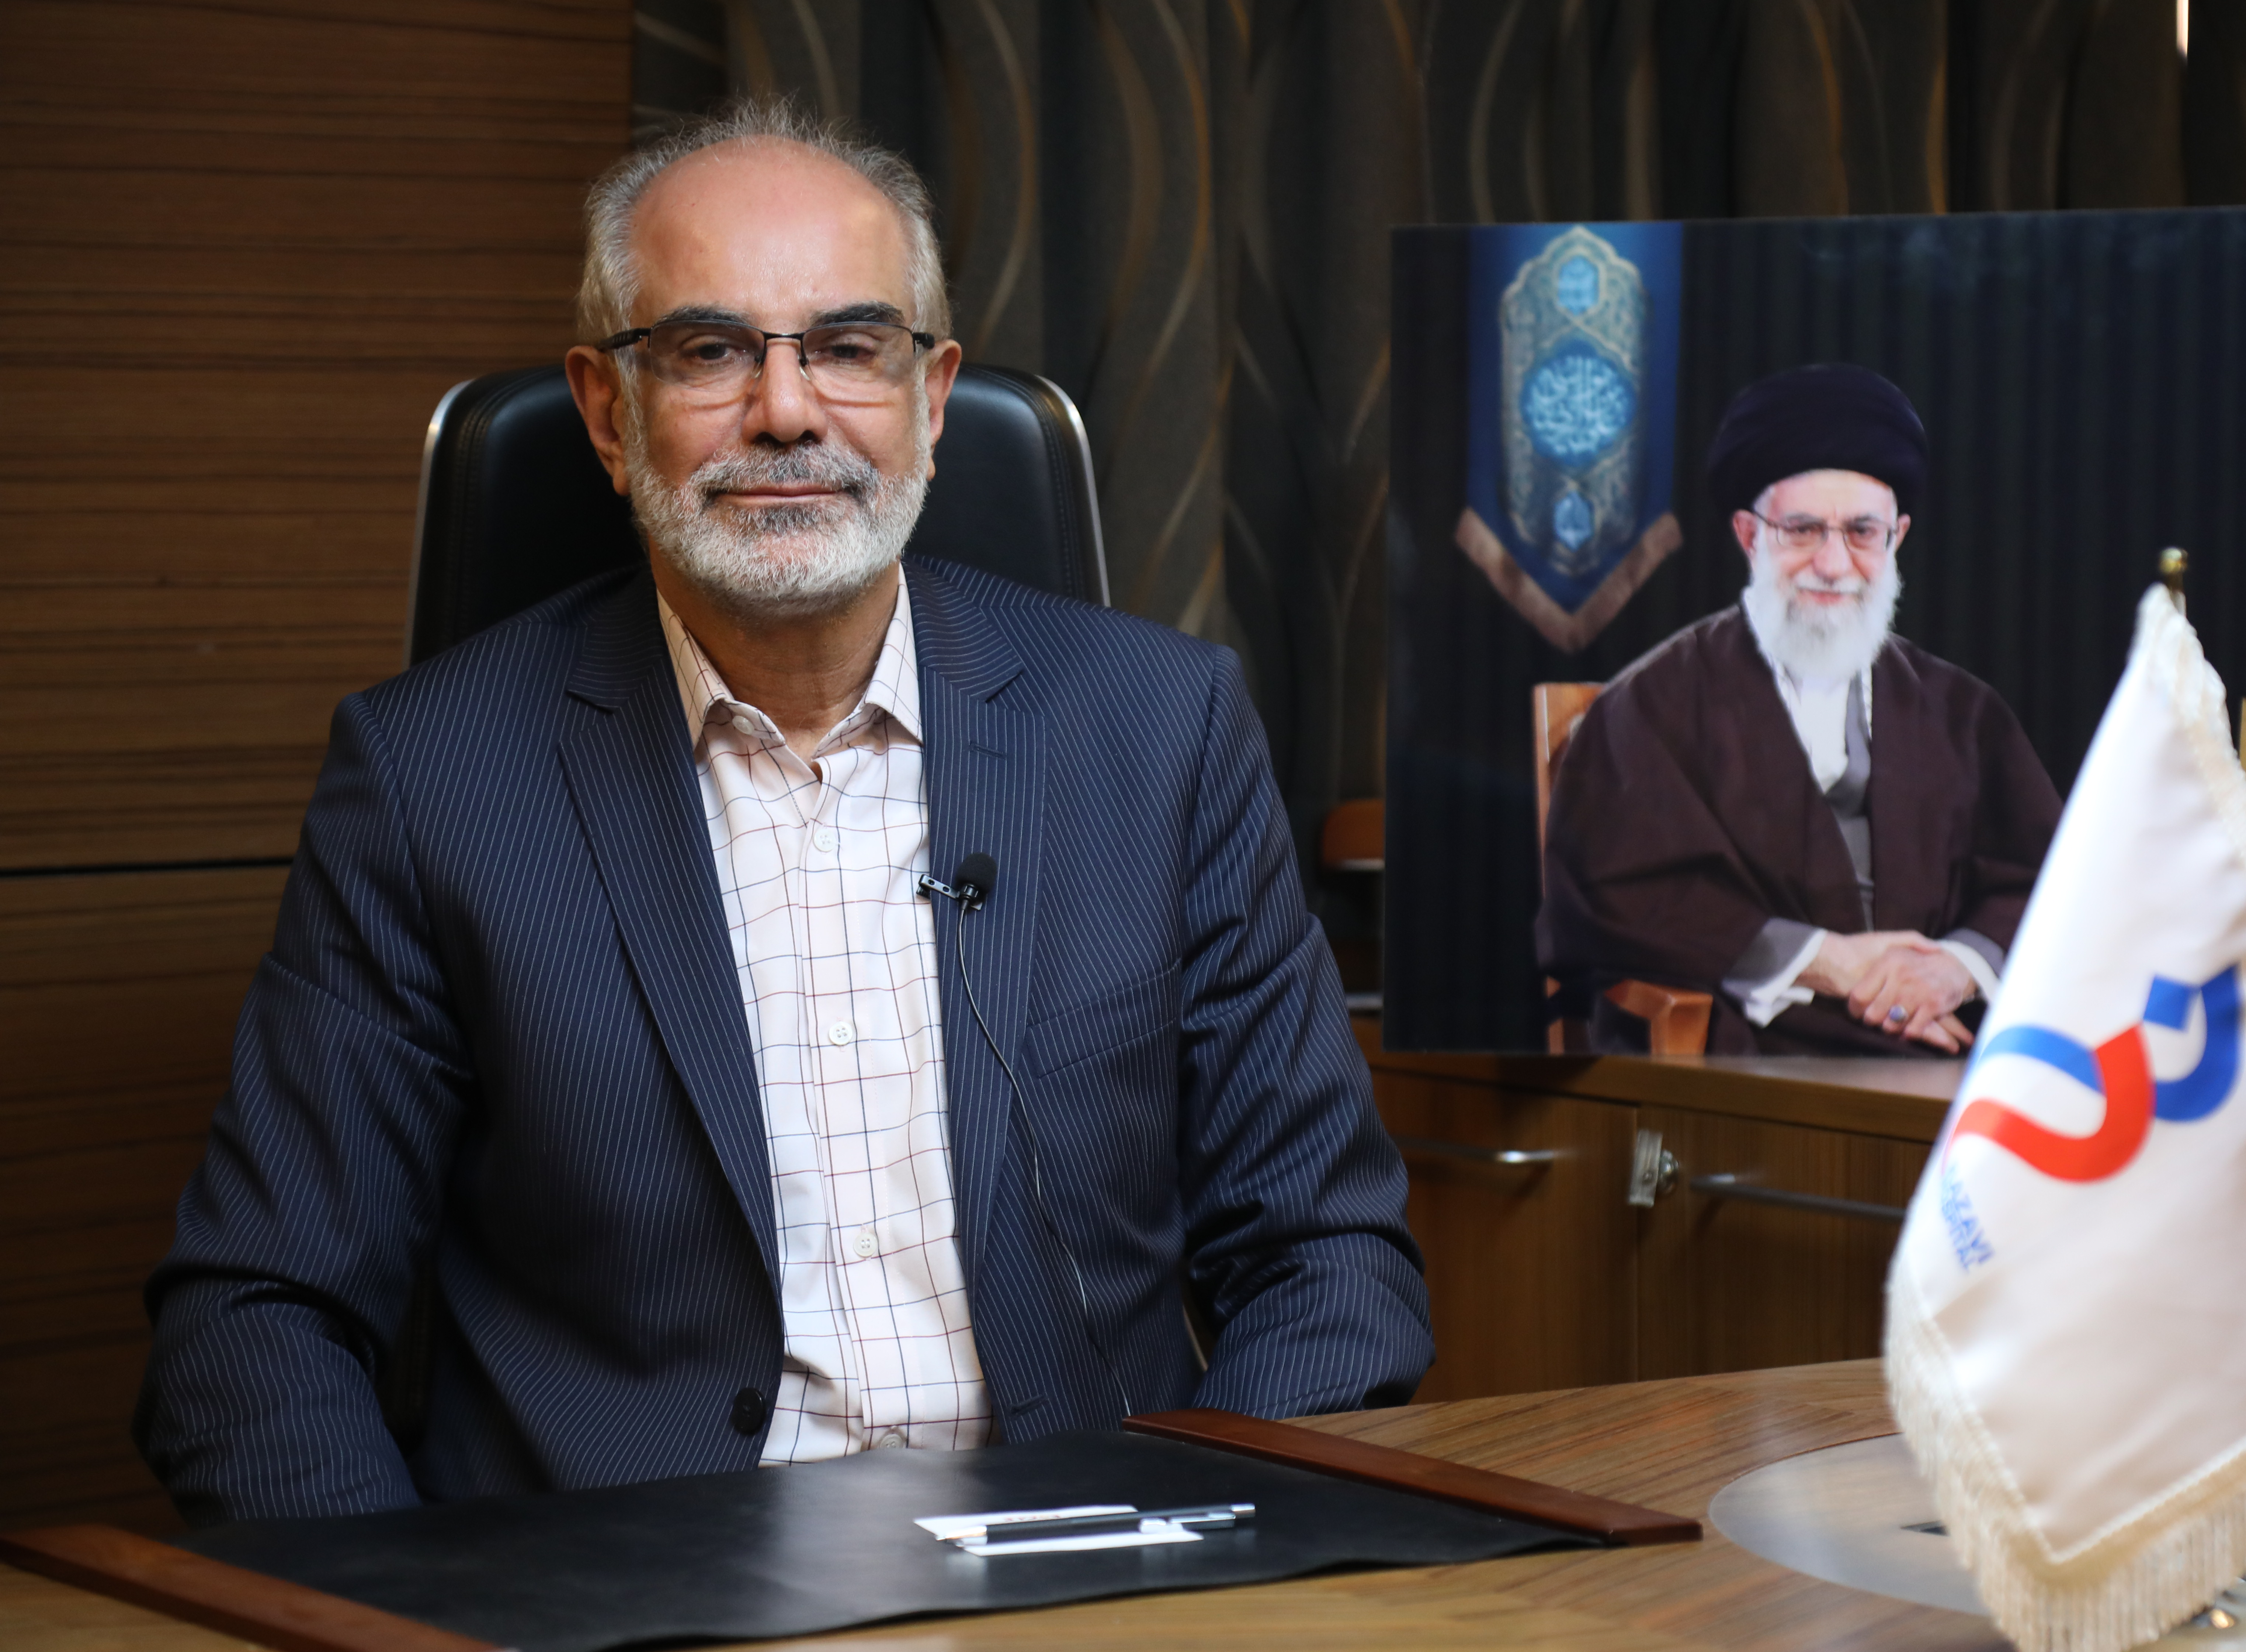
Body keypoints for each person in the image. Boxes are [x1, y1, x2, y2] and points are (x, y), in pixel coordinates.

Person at [135, 101, 1428, 1526]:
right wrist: (410, 1613)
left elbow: (1325, 1257)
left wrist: (1200, 1560)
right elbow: (257, 1317)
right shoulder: (433, 778)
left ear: (932, 399)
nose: (788, 411)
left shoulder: (1159, 728)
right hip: (625, 1586)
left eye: (850, 347)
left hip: (1079, 1564)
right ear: (606, 413)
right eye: (709, 351)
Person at [1537, 364, 2062, 1058]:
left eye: (1862, 532)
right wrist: (1825, 962)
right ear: (1750, 536)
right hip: (1753, 1042)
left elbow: (2046, 875)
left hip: (1948, 1037)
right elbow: (1620, 896)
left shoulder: (1963, 713)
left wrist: (1954, 969)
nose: (1834, 564)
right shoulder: (1652, 705)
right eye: (1804, 530)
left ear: (1897, 537)